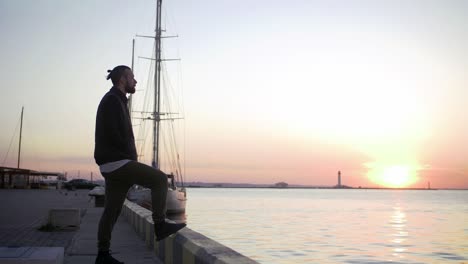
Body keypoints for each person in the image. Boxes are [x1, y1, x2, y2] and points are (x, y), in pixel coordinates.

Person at [94, 65, 186, 264]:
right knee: (160, 179)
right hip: (118, 162)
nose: (135, 81)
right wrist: (128, 154)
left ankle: (102, 255)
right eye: (132, 77)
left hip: (111, 165)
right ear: (122, 79)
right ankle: (160, 225)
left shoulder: (116, 100)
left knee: (112, 210)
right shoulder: (112, 100)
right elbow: (113, 133)